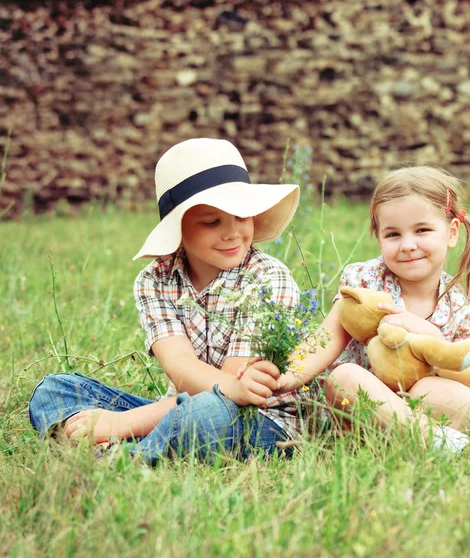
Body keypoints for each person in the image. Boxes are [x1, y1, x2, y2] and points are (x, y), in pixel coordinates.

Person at [28, 138, 305, 464]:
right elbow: (180, 367)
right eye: (213, 221)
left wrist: (119, 422)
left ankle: (119, 456)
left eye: (242, 217)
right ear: (178, 227)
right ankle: (124, 441)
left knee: (210, 414)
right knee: (55, 389)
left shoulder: (268, 277)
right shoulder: (155, 280)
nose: (233, 233)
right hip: (176, 410)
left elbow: (235, 391)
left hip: (256, 421)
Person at [272, 164, 470, 452]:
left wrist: (433, 338)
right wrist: (285, 376)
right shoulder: (365, 281)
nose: (408, 245)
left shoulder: (463, 309)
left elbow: (468, 378)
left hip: (428, 407)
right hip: (361, 415)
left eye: (422, 230)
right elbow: (324, 340)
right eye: (393, 235)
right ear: (379, 237)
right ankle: (440, 444)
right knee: (345, 377)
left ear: (451, 232)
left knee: (430, 389)